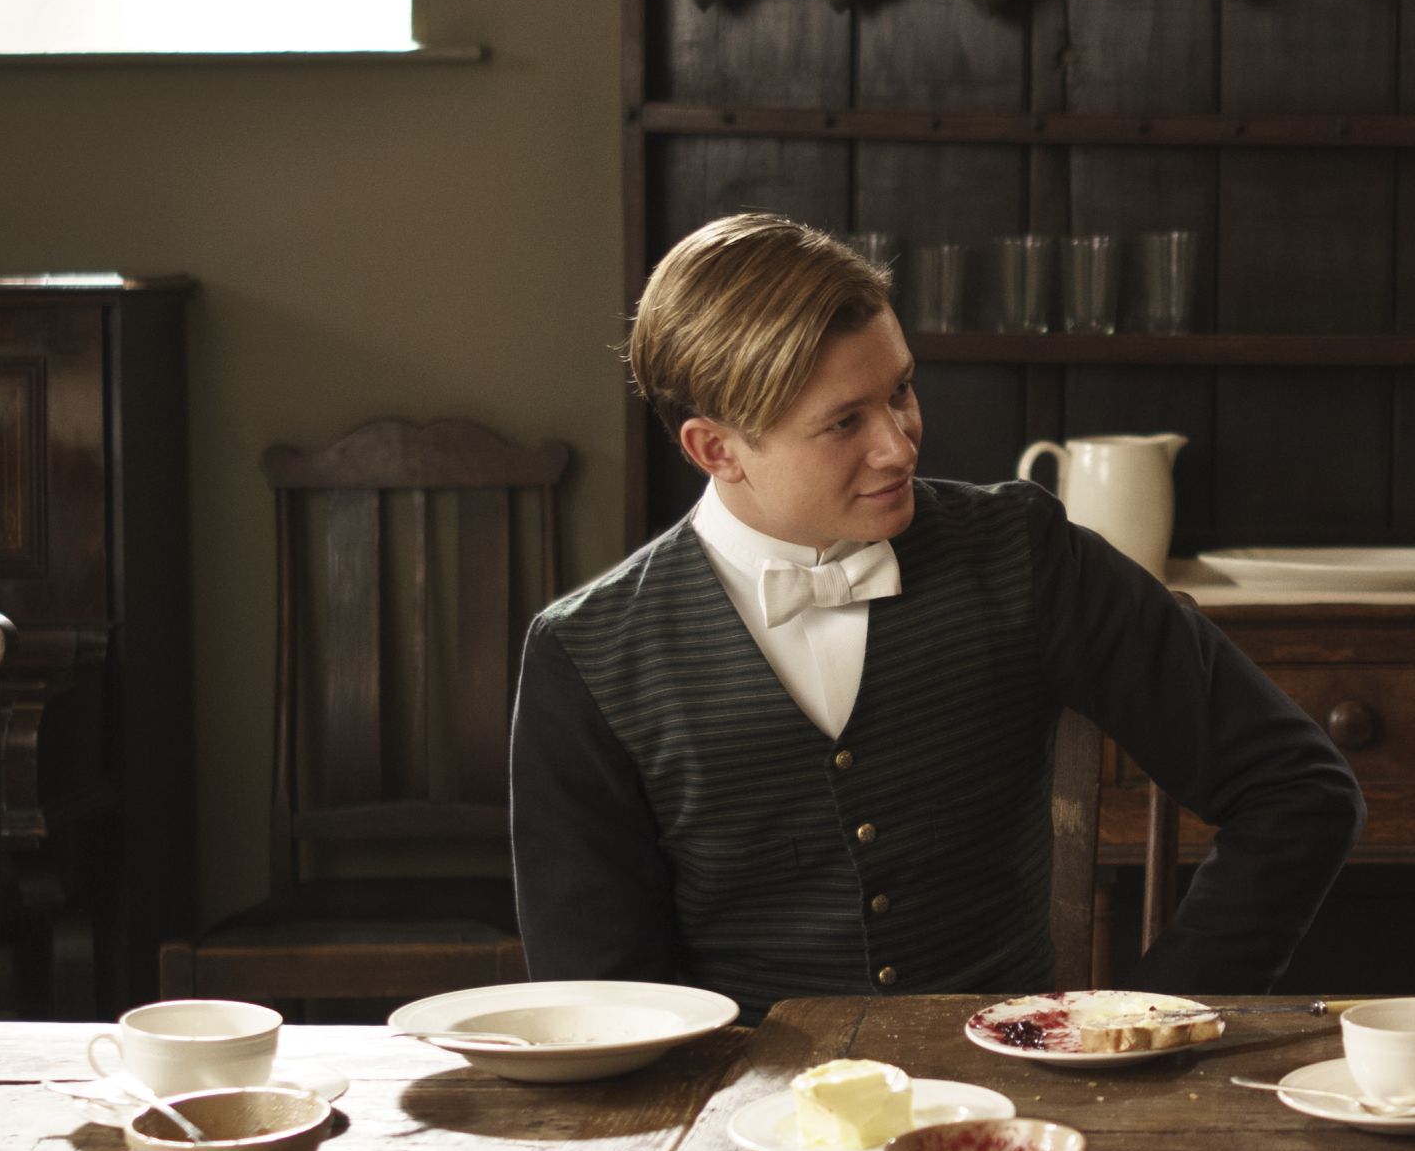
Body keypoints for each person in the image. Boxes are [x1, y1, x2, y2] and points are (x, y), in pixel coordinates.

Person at [511, 213, 1361, 1007]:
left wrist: (1156, 1014)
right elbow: (601, 1007)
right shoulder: (585, 656)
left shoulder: (1025, 551)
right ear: (715, 448)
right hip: (738, 1140)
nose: (899, 442)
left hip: (1017, 1116)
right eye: (844, 422)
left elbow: (1298, 787)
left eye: (902, 390)